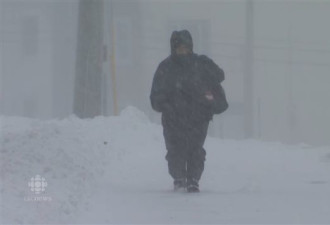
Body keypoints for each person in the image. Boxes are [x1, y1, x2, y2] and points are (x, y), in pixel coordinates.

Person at [150, 30, 228, 192]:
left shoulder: (200, 64)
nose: (183, 53)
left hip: (197, 118)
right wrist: (168, 106)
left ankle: (193, 180)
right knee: (175, 150)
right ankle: (178, 177)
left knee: (195, 149)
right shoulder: (166, 68)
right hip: (173, 119)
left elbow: (219, 76)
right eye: (180, 49)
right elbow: (156, 97)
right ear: (173, 49)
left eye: (186, 49)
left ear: (191, 48)